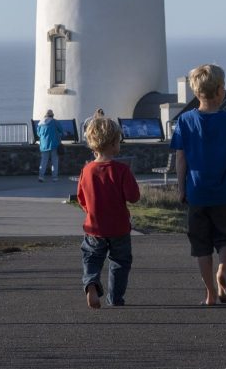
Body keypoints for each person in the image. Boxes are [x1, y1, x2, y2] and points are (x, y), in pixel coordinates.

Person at [170, 64, 226, 306]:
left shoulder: (184, 121)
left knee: (201, 245)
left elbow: (180, 158)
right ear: (220, 90)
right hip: (225, 193)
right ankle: (222, 271)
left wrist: (181, 187)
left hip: (196, 193)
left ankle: (210, 293)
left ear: (195, 92)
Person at [76, 114, 141, 308]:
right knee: (120, 262)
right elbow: (133, 196)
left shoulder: (87, 170)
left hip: (94, 226)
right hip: (119, 227)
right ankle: (115, 298)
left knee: (92, 257)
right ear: (113, 144)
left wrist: (91, 210)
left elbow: (81, 197)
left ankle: (91, 284)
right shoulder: (121, 170)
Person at [36, 109, 64, 182]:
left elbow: (38, 134)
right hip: (54, 145)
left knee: (43, 162)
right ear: (52, 115)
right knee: (54, 162)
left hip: (44, 146)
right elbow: (61, 131)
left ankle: (41, 177)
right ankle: (54, 178)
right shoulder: (55, 122)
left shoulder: (40, 123)